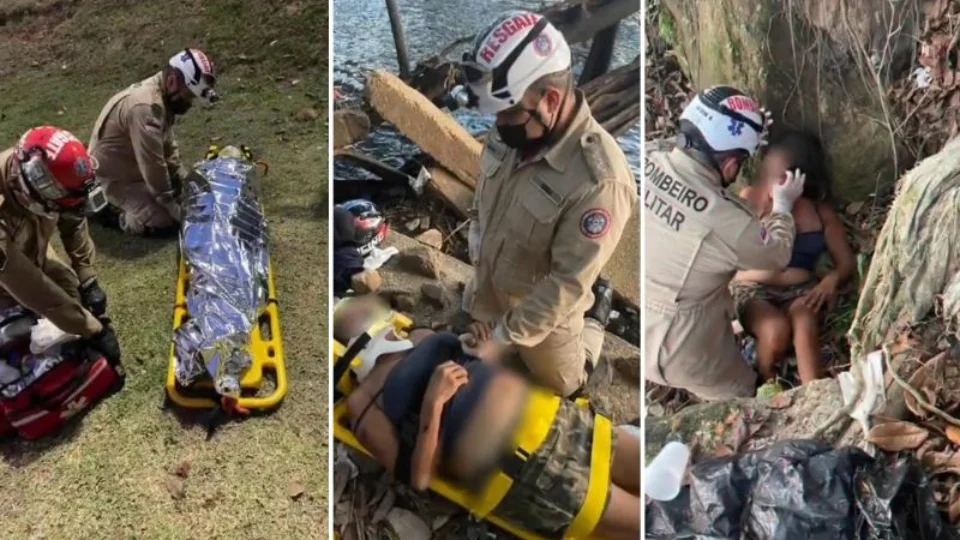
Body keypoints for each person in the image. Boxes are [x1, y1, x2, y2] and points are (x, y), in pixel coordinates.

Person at [335, 295, 641, 540]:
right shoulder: (364, 405)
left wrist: (489, 352)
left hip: (562, 419)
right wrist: (433, 405)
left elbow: (493, 378)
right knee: (653, 518)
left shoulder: (420, 336)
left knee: (657, 469)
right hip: (535, 473)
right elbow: (419, 479)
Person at [460, 10, 637, 398]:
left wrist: (503, 338)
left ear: (551, 100)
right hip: (491, 284)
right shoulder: (514, 127)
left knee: (564, 384)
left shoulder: (599, 181)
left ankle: (596, 320)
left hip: (542, 309)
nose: (499, 125)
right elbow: (484, 203)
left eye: (509, 113)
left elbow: (566, 284)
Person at [644, 86, 805, 400]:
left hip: (644, 318)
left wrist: (746, 132)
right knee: (741, 394)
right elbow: (777, 255)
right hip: (677, 346)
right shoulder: (729, 220)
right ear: (731, 165)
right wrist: (783, 207)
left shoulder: (650, 156)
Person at [731, 131, 855, 384]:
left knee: (804, 321)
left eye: (784, 173)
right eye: (771, 172)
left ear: (802, 175)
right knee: (775, 330)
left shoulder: (819, 212)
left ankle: (814, 391)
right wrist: (776, 208)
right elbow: (727, 253)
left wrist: (831, 279)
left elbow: (846, 262)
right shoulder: (751, 199)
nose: (776, 180)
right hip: (753, 289)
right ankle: (766, 380)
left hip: (800, 291)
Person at [0, 126, 121, 364]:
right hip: (8, 274)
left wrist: (87, 276)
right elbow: (33, 288)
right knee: (20, 343)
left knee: (70, 292)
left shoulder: (36, 170)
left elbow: (73, 217)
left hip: (26, 254)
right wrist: (94, 330)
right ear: (30, 193)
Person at [89, 48, 219, 237]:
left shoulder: (161, 99)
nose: (189, 104)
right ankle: (108, 211)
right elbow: (153, 164)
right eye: (188, 96)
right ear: (172, 81)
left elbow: (168, 150)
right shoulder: (146, 108)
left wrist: (185, 183)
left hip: (133, 169)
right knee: (162, 221)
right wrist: (172, 206)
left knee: (188, 199)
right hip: (114, 178)